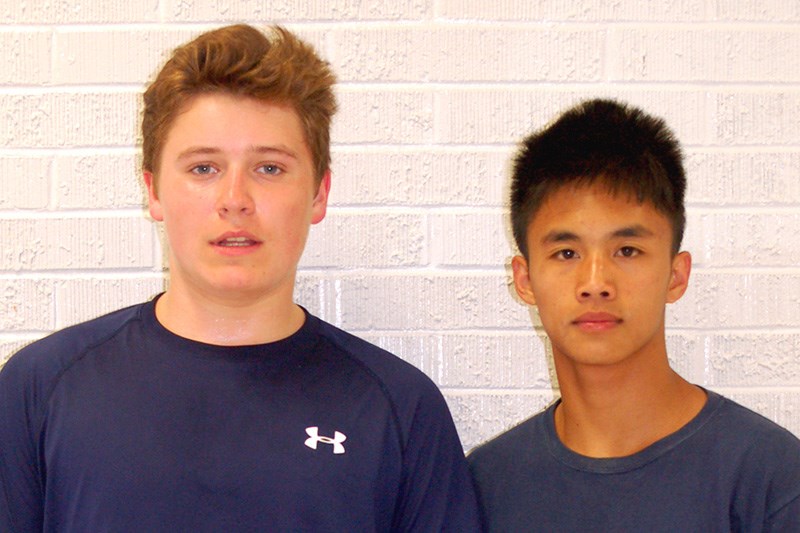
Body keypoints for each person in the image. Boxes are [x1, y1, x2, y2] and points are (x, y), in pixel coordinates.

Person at [0, 24, 481, 532]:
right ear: (154, 192)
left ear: (319, 194)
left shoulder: (400, 408)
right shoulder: (40, 389)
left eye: (269, 168)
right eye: (204, 168)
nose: (235, 199)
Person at [468, 98, 800, 531]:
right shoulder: (484, 485)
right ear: (526, 279)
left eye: (627, 250)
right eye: (566, 252)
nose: (595, 282)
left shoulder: (770, 480)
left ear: (676, 275)